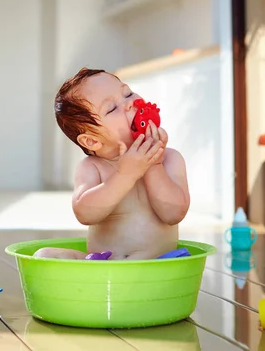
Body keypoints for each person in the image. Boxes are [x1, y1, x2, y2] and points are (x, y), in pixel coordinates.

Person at [34, 68, 190, 260]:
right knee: (44, 255)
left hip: (155, 265)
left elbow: (174, 214)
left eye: (128, 93)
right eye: (112, 108)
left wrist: (154, 166)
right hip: (105, 266)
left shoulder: (170, 159)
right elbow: (85, 214)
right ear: (92, 141)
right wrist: (125, 175)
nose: (128, 104)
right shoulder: (92, 167)